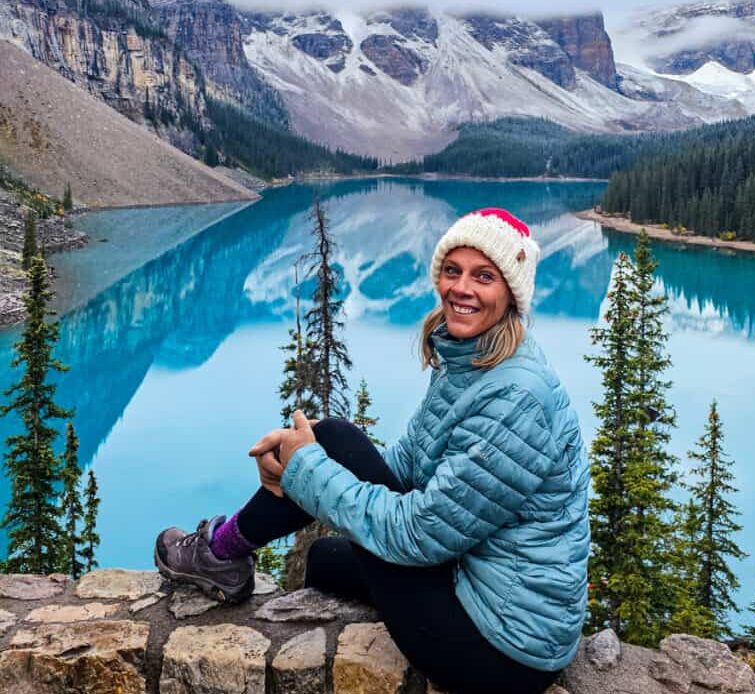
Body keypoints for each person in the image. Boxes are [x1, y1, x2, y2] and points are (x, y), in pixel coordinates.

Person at [155, 207, 590, 693]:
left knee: (335, 457)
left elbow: (420, 533)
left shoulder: (517, 397)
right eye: (452, 271)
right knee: (323, 557)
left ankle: (218, 553)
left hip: (502, 649)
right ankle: (225, 553)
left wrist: (308, 470)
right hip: (472, 574)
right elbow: (405, 466)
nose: (461, 288)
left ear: (511, 293)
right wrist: (307, 458)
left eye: (483, 277)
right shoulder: (473, 360)